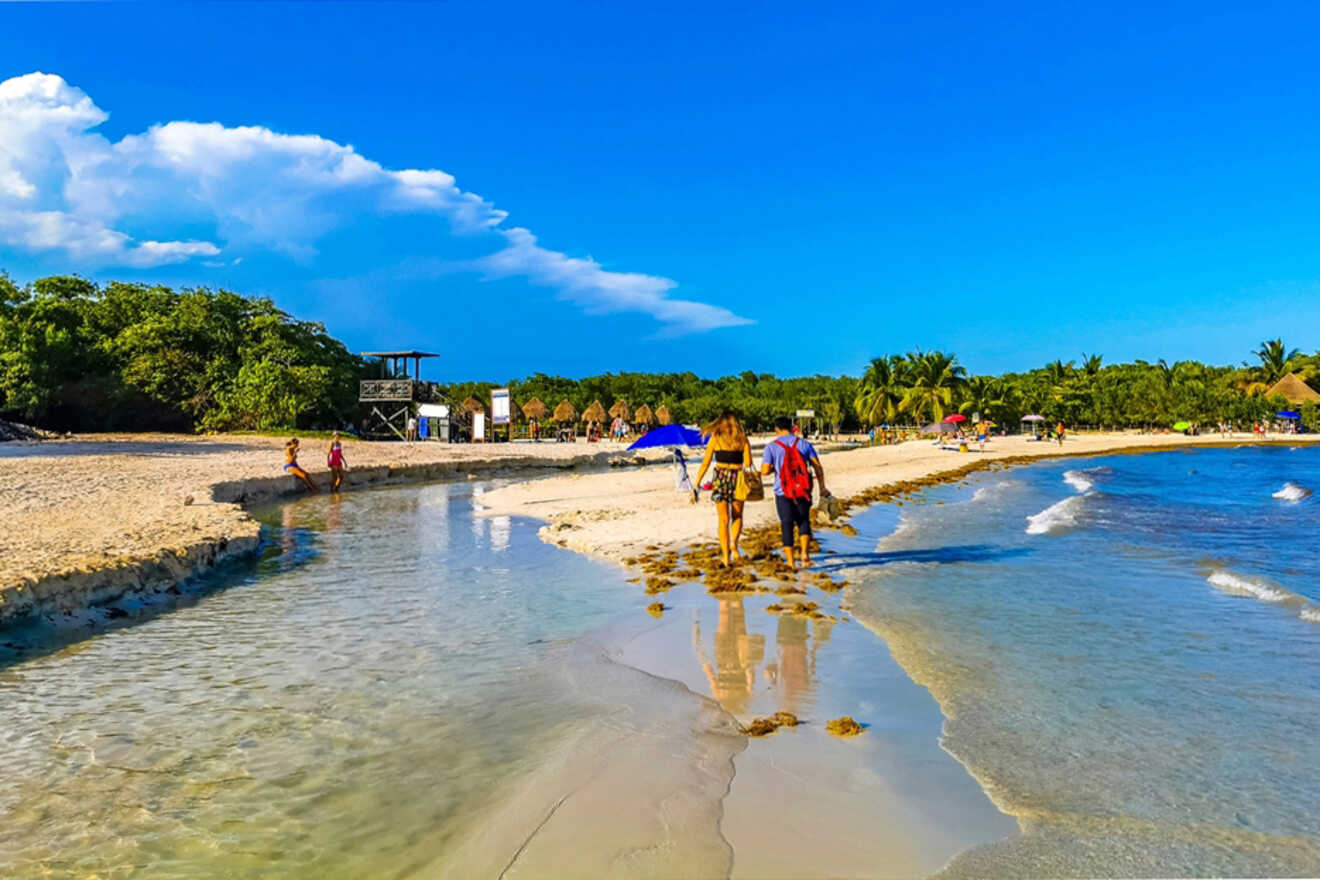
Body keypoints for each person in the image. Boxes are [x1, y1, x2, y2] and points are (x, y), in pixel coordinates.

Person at [761, 416, 828, 570]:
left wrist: (775, 468)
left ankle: (791, 562)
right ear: (792, 428)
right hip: (803, 489)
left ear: (776, 429)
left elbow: (764, 471)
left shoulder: (771, 447)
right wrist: (822, 487)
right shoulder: (804, 444)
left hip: (782, 490)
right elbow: (818, 467)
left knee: (787, 523)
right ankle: (805, 555)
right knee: (803, 521)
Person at [695, 412, 753, 567]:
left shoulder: (716, 438)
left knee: (723, 520)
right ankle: (733, 544)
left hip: (720, 479)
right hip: (738, 478)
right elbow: (748, 463)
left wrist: (697, 483)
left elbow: (705, 463)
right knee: (737, 516)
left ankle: (726, 558)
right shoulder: (742, 438)